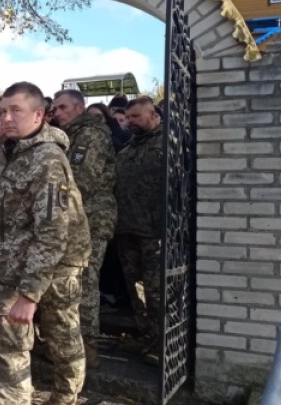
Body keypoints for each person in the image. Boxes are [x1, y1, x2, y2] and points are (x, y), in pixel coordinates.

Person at [0, 82, 91, 405]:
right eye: (4, 111)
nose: (7, 118)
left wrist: (29, 293)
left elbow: (53, 231)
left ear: (38, 115)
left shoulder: (48, 161)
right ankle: (9, 397)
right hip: (4, 266)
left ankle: (65, 396)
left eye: (16, 111)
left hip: (51, 268)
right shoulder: (4, 153)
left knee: (61, 335)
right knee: (6, 347)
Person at [53, 90, 117, 368]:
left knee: (87, 281)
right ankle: (71, 345)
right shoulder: (73, 134)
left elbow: (82, 179)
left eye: (63, 107)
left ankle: (87, 347)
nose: (58, 113)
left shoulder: (91, 134)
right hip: (76, 219)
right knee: (74, 281)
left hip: (90, 219)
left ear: (79, 107)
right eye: (55, 108)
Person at [114, 97, 165, 365]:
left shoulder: (168, 143)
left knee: (158, 292)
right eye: (128, 117)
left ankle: (164, 344)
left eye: (136, 116)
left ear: (153, 114)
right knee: (137, 290)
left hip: (156, 232)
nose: (130, 121)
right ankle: (147, 339)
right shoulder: (127, 149)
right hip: (127, 229)